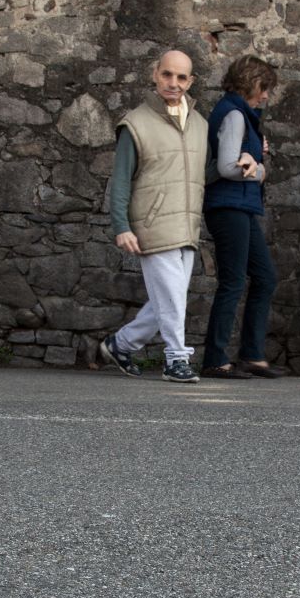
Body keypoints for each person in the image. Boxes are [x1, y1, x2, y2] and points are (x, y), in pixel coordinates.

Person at [99, 49, 209, 383]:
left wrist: (246, 161)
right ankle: (176, 359)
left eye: (180, 77)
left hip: (186, 224)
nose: (173, 83)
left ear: (191, 81)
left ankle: (121, 344)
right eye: (167, 75)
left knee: (168, 298)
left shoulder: (200, 124)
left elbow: (203, 172)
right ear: (155, 74)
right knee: (173, 297)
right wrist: (122, 226)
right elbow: (120, 179)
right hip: (152, 224)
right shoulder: (136, 123)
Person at [199, 56, 286, 380]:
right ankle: (215, 359)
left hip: (241, 206)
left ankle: (251, 355)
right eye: (265, 89)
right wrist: (259, 172)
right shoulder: (234, 114)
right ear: (251, 83)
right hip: (227, 206)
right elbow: (225, 168)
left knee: (265, 277)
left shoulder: (243, 115)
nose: (266, 96)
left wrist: (256, 158)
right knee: (233, 281)